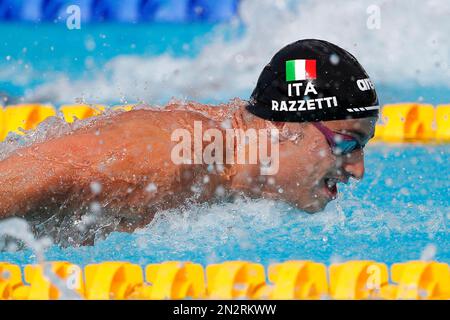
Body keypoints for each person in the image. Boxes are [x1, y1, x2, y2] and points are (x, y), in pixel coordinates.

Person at [0, 39, 378, 245]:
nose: (358, 170)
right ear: (283, 125)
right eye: (347, 143)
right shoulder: (174, 157)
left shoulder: (233, 164)